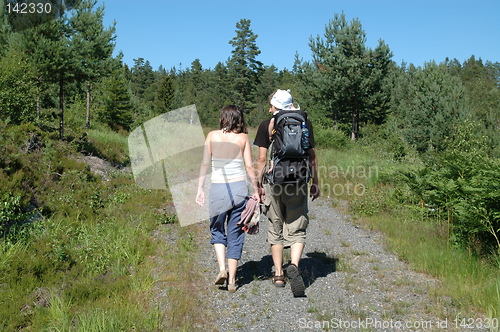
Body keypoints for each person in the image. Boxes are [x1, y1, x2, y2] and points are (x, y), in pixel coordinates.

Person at [254, 89, 320, 297]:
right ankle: (294, 265)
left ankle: (279, 274)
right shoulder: (303, 122)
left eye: (271, 105)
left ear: (276, 106)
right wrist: (316, 181)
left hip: (275, 181)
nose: (269, 108)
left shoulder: (267, 124)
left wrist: (258, 184)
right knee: (297, 225)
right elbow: (311, 155)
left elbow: (262, 159)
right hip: (299, 180)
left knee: (276, 225)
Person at [196, 105, 260, 293]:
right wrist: (256, 190)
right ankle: (232, 280)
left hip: (218, 188)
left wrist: (199, 188)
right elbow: (249, 166)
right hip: (238, 189)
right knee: (236, 232)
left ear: (223, 117)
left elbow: (205, 163)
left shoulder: (212, 136)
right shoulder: (243, 138)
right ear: (239, 119)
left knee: (217, 229)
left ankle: (222, 269)